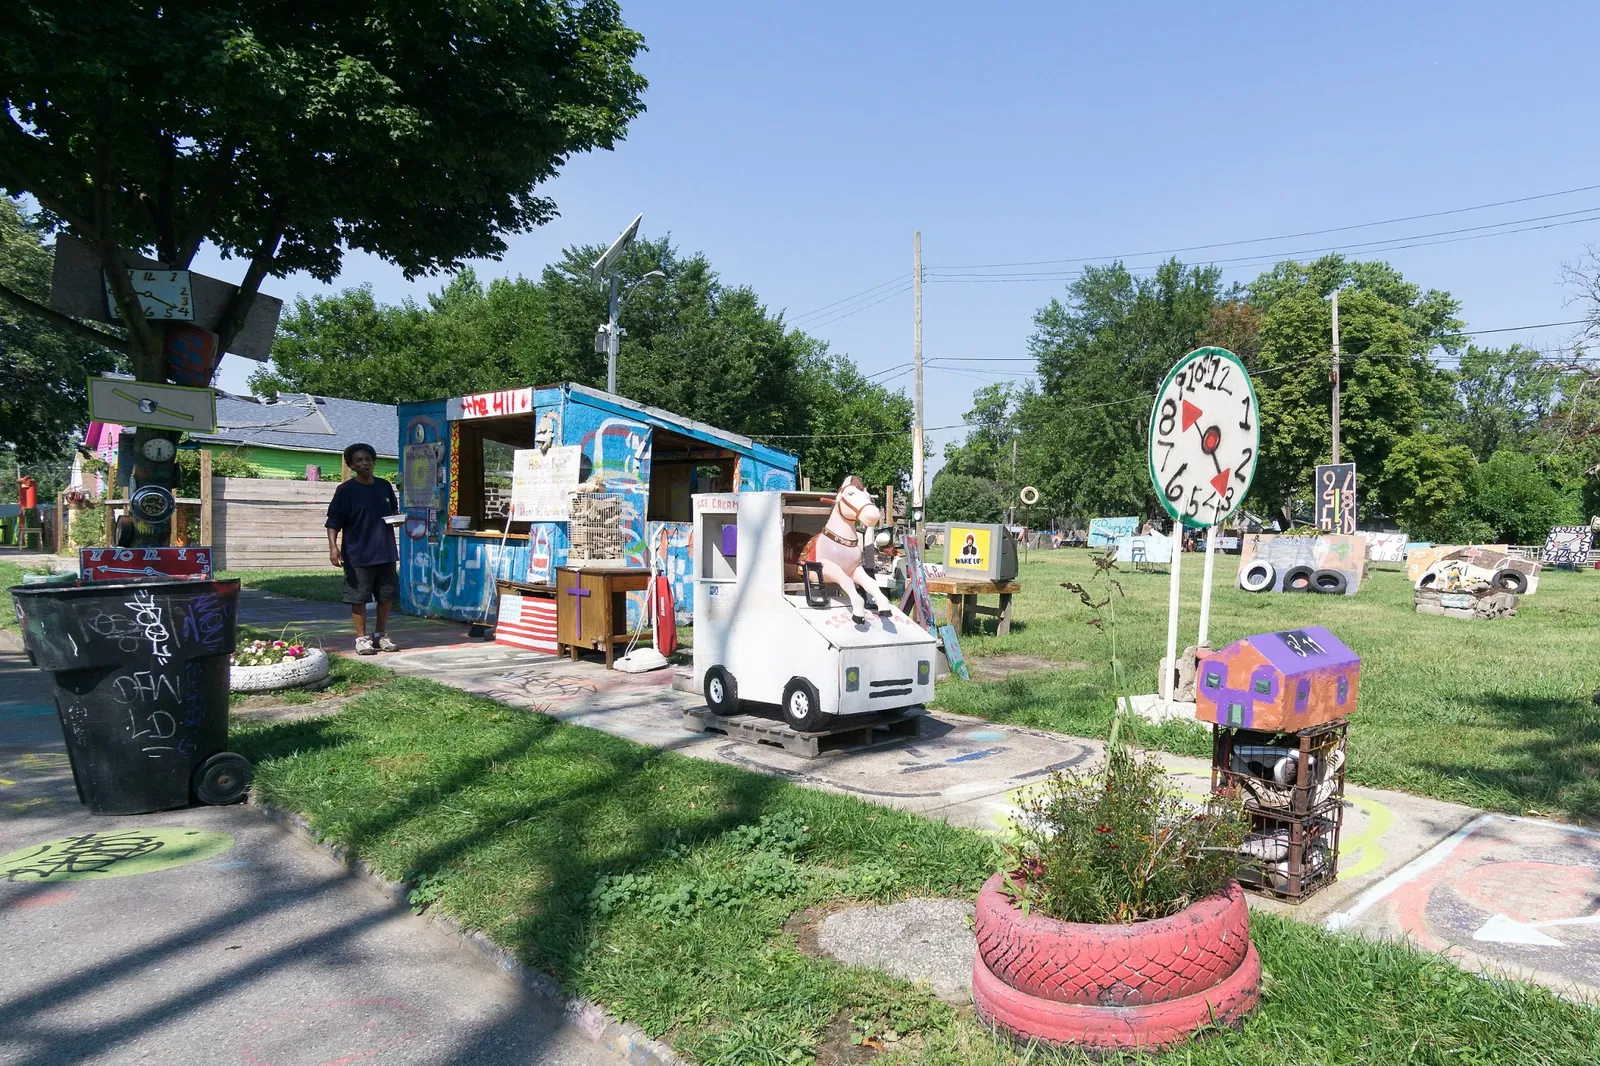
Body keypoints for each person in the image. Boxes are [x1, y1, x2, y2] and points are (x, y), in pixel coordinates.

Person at [326, 443, 400, 654]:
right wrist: (333, 548)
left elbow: (393, 511)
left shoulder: (384, 486)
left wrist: (398, 519)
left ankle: (381, 635)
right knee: (358, 598)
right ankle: (362, 639)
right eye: (358, 460)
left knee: (386, 596)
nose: (364, 463)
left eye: (367, 459)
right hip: (357, 553)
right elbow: (333, 522)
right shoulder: (345, 491)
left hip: (384, 551)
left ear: (374, 461)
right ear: (351, 465)